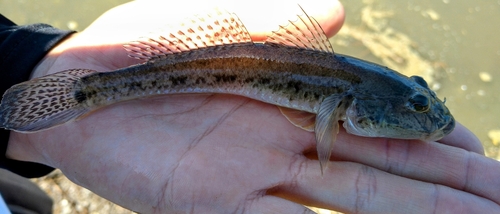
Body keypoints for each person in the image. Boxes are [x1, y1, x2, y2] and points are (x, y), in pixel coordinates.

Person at [1, 0, 499, 213]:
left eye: (419, 101)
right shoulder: (345, 99)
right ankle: (75, 95)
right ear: (359, 107)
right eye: (414, 106)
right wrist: (30, 65)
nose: (426, 115)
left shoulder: (350, 94)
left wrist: (25, 61)